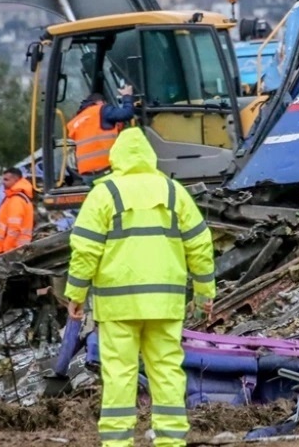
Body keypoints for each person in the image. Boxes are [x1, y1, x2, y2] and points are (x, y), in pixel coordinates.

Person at [64, 128, 215, 447]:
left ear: (116, 158)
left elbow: (85, 250)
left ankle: (118, 443)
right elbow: (200, 245)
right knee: (167, 372)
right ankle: (171, 442)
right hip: (165, 304)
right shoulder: (174, 192)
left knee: (120, 375)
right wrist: (204, 294)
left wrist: (76, 294)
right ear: (149, 155)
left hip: (119, 307)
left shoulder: (105, 193)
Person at [65, 85, 136, 179]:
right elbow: (127, 113)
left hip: (86, 175)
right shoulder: (101, 109)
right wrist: (127, 96)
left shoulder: (74, 122)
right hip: (105, 169)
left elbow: (98, 133)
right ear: (100, 102)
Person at [0, 167, 35, 255]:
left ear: (16, 180)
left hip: (12, 250)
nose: (3, 182)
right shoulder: (14, 198)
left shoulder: (16, 200)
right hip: (13, 250)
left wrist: (7, 250)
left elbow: (14, 229)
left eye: (6, 180)